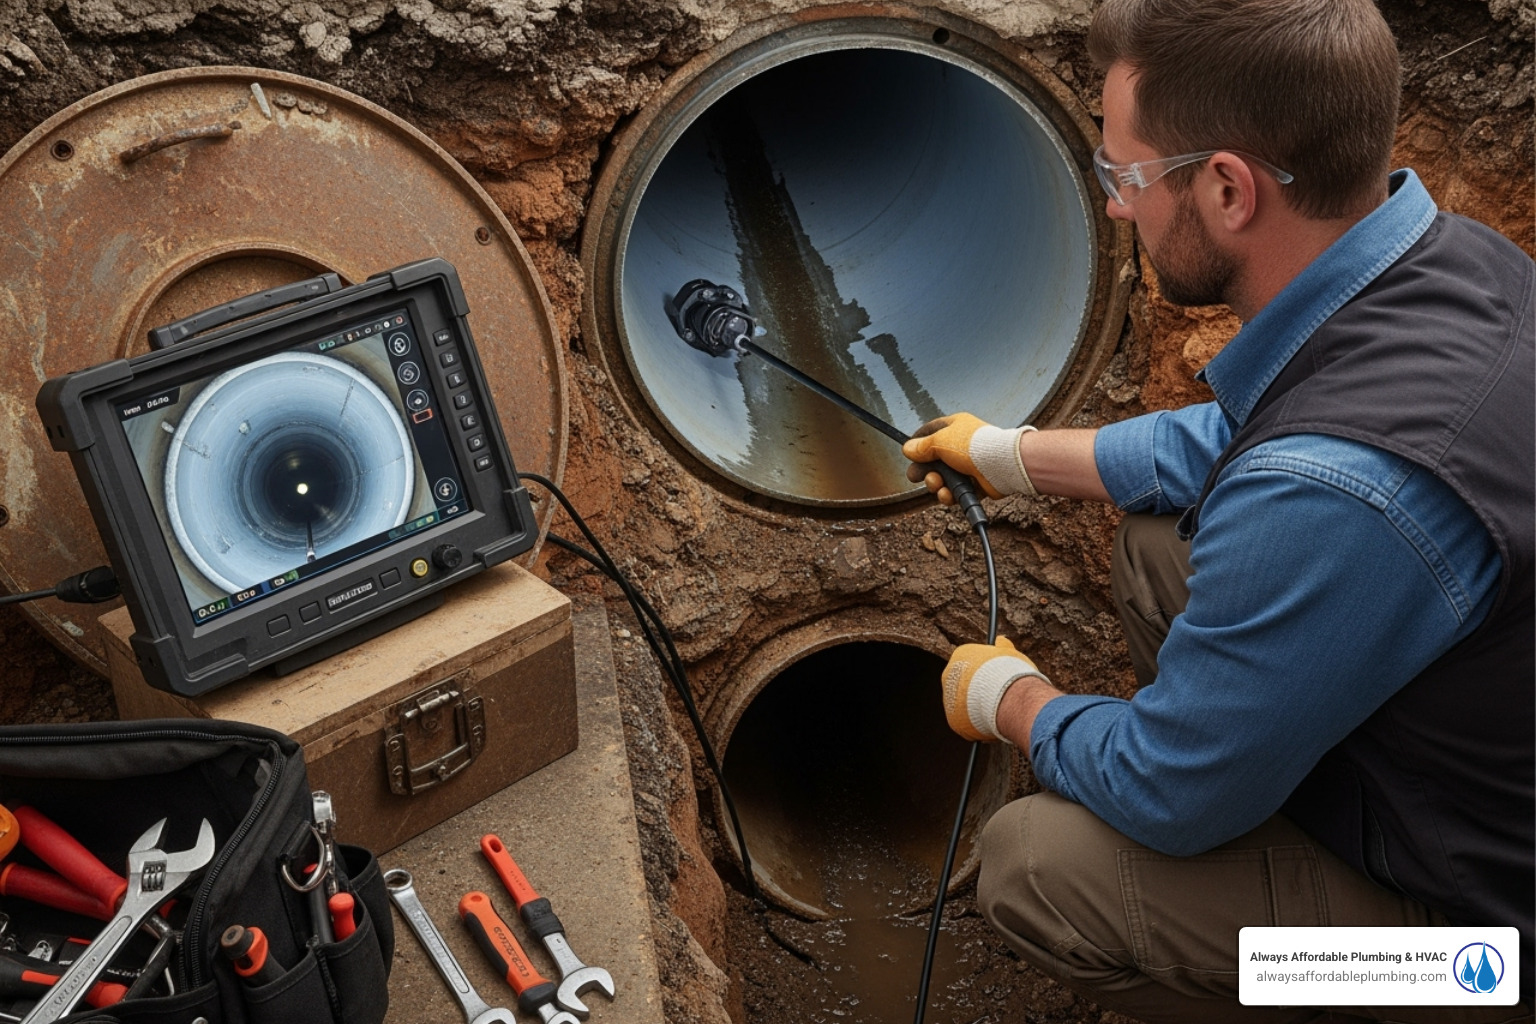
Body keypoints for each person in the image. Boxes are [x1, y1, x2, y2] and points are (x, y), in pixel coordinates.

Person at [901, 1, 1534, 1022]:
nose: (1117, 209)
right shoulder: (1455, 263)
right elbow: (1250, 440)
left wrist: (1014, 701)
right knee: (1161, 548)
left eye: (1124, 176)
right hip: (1475, 785)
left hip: (1488, 948)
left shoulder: (1332, 493)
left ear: (1230, 189)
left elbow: (1164, 790)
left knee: (1035, 867)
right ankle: (1256, 767)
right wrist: (1011, 456)